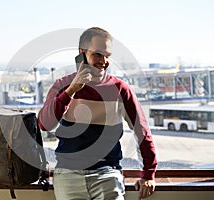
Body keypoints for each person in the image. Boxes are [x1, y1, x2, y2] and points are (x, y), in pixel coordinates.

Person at [38, 27, 157, 200]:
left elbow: (142, 131)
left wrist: (148, 174)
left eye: (108, 56)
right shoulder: (62, 85)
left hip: (107, 174)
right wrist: (72, 90)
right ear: (82, 53)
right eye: (98, 54)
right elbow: (44, 124)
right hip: (68, 175)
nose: (104, 61)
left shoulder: (120, 89)